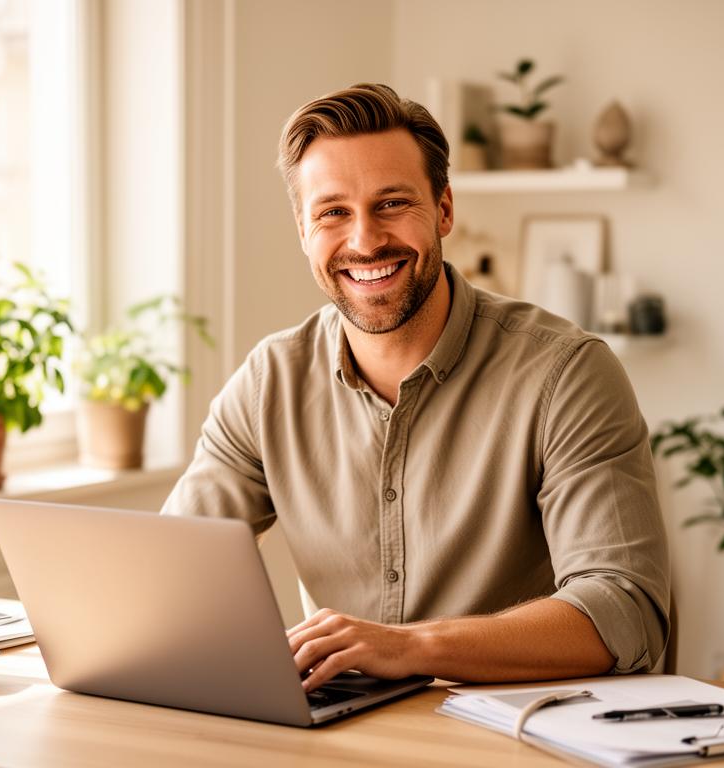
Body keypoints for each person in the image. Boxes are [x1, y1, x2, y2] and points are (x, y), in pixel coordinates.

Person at [161, 83, 669, 692]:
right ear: (302, 229)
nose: (365, 240)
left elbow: (624, 610)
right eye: (332, 213)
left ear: (444, 209)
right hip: (343, 735)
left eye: (392, 203)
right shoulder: (268, 382)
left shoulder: (567, 374)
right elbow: (172, 569)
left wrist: (412, 647)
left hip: (520, 733)